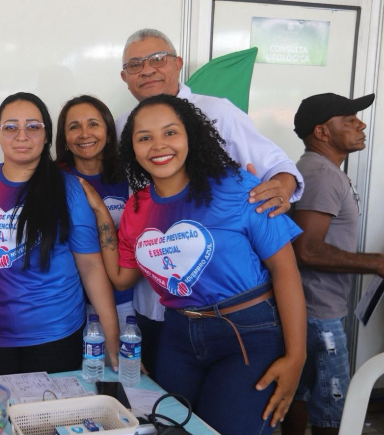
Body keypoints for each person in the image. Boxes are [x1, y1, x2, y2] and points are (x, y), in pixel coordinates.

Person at [82, 94, 306, 434]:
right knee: (172, 430)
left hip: (246, 333)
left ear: (191, 136)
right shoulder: (137, 207)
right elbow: (122, 278)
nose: (158, 145)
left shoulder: (239, 187)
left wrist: (296, 358)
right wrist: (100, 212)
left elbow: (285, 271)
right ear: (132, 149)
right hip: (178, 337)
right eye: (144, 138)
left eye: (170, 133)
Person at [116, 28, 305, 380]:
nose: (148, 70)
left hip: (231, 308)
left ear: (177, 64)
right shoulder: (124, 124)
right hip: (160, 306)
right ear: (125, 77)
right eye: (136, 64)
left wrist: (276, 189)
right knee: (169, 414)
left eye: (158, 59)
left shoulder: (219, 112)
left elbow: (278, 168)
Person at [0, 92, 119, 376]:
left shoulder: (68, 189)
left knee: (49, 420)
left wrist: (112, 338)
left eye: (33, 126)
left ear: (46, 135)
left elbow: (91, 266)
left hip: (56, 336)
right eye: (10, 127)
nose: (22, 135)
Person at [282, 93, 383, 435]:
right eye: (350, 119)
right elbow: (307, 250)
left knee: (301, 392)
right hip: (318, 313)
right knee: (331, 410)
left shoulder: (322, 170)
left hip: (314, 309)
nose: (362, 124)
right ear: (323, 132)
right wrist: (376, 263)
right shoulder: (321, 174)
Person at [55, 95, 135, 329]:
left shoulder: (132, 176)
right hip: (69, 303)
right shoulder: (51, 179)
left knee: (123, 364)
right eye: (74, 127)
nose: (84, 133)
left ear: (109, 133)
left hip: (126, 300)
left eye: (93, 124)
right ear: (65, 139)